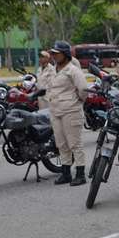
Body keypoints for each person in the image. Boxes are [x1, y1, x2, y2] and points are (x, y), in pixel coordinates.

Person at [45, 41, 88, 186]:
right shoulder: (53, 70)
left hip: (71, 110)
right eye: (53, 54)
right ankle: (66, 173)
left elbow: (83, 89)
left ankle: (80, 174)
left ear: (65, 54)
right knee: (61, 144)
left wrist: (77, 102)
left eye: (57, 53)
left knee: (74, 143)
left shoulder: (73, 70)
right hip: (56, 110)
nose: (54, 56)